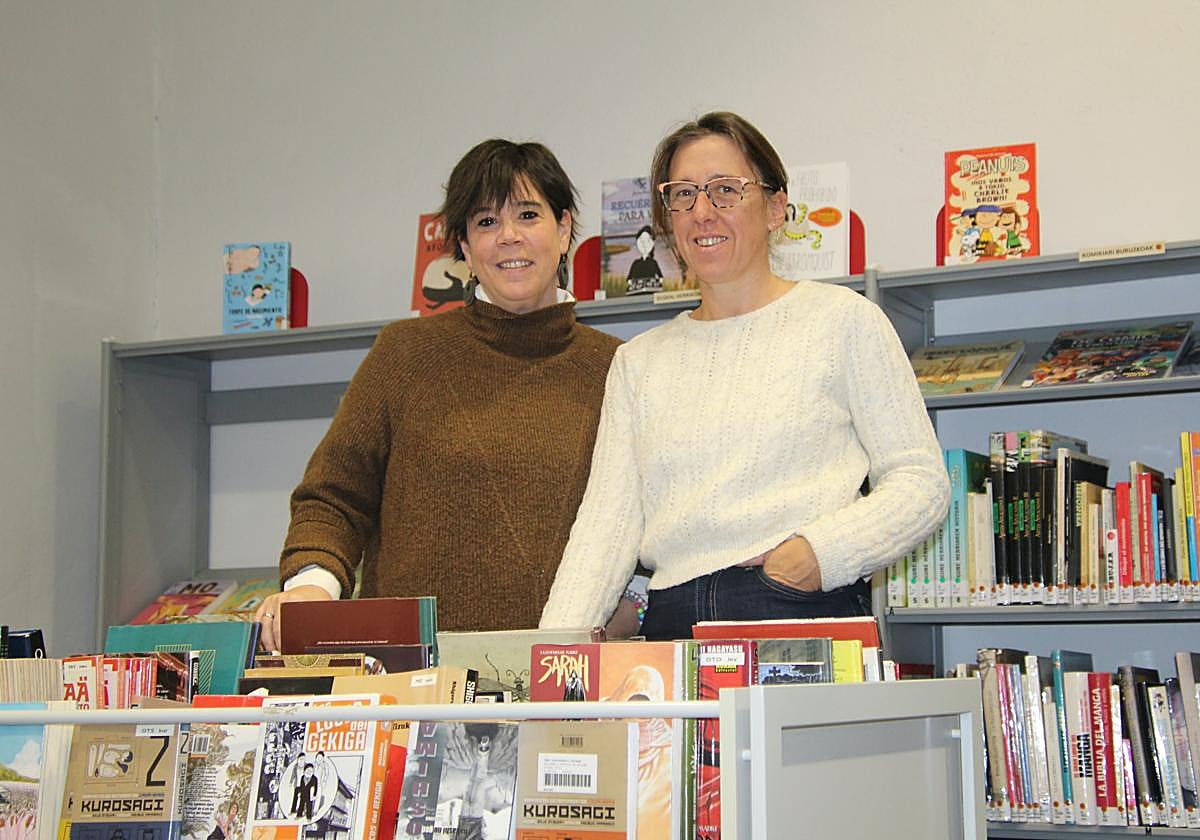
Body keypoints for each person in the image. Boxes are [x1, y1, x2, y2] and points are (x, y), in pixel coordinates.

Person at [540, 111, 949, 640]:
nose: (702, 212)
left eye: (725, 191)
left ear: (776, 208)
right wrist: (549, 658)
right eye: (682, 195)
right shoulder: (639, 362)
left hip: (798, 605)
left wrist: (816, 555)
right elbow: (603, 529)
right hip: (671, 621)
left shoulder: (842, 320)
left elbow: (921, 482)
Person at [255, 139, 622, 651]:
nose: (509, 237)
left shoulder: (620, 368)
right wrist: (311, 587)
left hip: (567, 677)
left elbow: (643, 527)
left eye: (528, 214)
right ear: (466, 249)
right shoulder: (405, 354)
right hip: (413, 680)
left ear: (564, 231)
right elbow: (333, 496)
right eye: (486, 222)